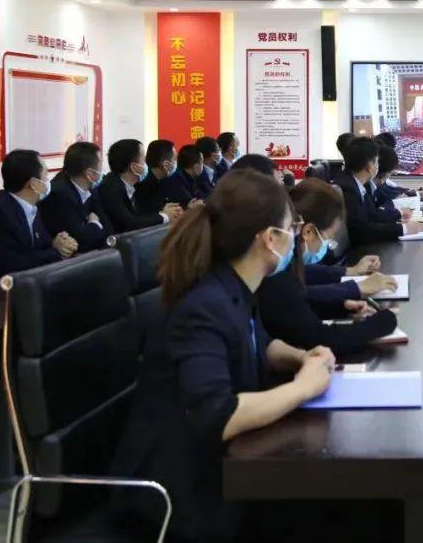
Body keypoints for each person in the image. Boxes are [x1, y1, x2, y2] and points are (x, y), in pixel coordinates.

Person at [111, 171, 334, 542]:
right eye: (290, 228)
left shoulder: (234, 286)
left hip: (218, 470)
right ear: (269, 239)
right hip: (177, 497)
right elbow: (218, 415)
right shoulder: (203, 306)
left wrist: (300, 357)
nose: (295, 237)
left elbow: (258, 342)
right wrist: (303, 388)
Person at [257, 178, 399, 355]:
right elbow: (318, 337)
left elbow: (296, 303)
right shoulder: (274, 271)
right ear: (308, 231)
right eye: (329, 239)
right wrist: (383, 322)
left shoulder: (283, 265)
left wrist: (341, 307)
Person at [0, 149, 77, 275]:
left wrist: (60, 242)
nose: (48, 181)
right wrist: (55, 251)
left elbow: (41, 245)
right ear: (33, 184)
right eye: (45, 175)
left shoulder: (32, 206)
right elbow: (13, 262)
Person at [334, 137, 421, 246]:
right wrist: (404, 228)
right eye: (376, 162)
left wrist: (399, 217)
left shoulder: (357, 184)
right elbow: (361, 231)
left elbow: (372, 216)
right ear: (370, 168)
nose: (378, 166)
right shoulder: (348, 189)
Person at [40, 142, 111, 252]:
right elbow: (80, 241)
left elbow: (107, 228)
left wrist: (92, 229)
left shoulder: (90, 188)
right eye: (101, 164)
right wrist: (95, 224)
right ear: (89, 174)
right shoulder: (60, 194)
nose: (102, 170)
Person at [98, 139, 182, 233]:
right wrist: (165, 216)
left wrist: (165, 213)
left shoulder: (129, 186)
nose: (147, 163)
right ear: (134, 167)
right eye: (143, 160)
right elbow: (131, 223)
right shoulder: (111, 188)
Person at [135, 140, 178, 217]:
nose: (176, 163)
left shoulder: (163, 182)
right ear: (166, 165)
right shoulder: (145, 188)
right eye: (174, 159)